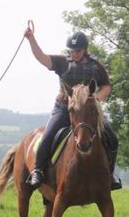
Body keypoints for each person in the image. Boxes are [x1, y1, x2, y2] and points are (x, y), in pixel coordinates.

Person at [24, 28, 122, 190]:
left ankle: (110, 175)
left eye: (78, 50)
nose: (75, 53)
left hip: (88, 112)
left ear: (85, 50)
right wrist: (31, 39)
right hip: (64, 108)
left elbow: (106, 86)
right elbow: (41, 57)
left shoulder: (96, 67)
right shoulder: (62, 62)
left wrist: (95, 99)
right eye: (72, 50)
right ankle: (38, 170)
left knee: (112, 139)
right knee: (47, 137)